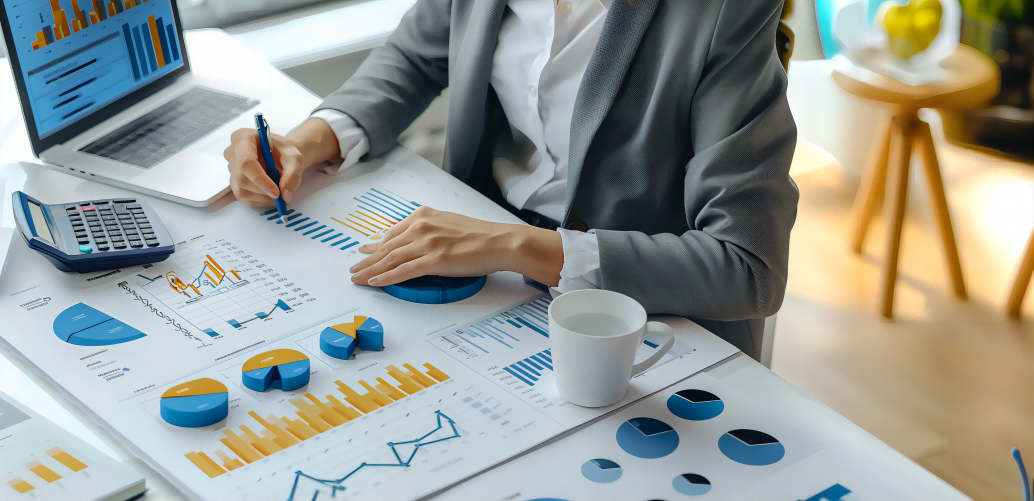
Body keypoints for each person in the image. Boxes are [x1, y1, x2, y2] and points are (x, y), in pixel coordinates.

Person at [224, 0, 799, 360]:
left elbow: (747, 267)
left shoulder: (727, 9)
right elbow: (415, 55)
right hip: (487, 267)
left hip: (642, 315)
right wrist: (310, 138)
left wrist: (515, 245)